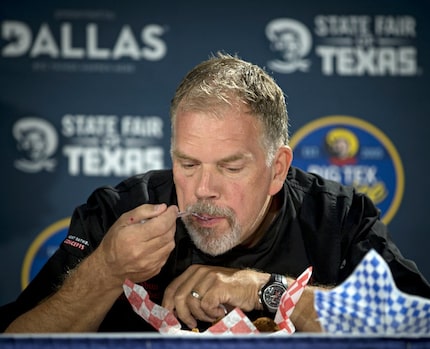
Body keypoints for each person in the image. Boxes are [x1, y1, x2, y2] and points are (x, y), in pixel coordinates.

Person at [1, 52, 430, 333]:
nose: (203, 190)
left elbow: (416, 324)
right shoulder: (120, 212)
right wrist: (106, 271)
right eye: (187, 164)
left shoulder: (337, 218)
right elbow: (15, 338)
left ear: (277, 168)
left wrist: (264, 289)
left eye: (230, 167)